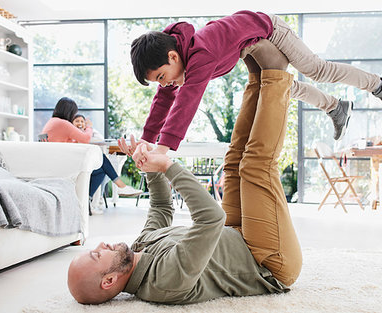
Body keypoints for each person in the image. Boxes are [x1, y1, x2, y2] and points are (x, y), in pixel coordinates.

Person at [68, 70, 302, 305]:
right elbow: (211, 218)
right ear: (108, 280)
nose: (101, 245)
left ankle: (257, 75)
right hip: (267, 261)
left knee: (233, 162)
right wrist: (168, 165)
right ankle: (275, 73)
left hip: (237, 233)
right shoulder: (164, 282)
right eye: (97, 254)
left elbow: (161, 207)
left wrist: (146, 163)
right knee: (255, 166)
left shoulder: (138, 248)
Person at [129, 10, 382, 149]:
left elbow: (186, 102)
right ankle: (335, 107)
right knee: (275, 87)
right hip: (247, 46)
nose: (164, 85)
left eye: (162, 77)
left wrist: (163, 147)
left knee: (316, 69)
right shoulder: (177, 57)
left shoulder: (201, 53)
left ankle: (381, 85)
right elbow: (164, 100)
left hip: (270, 31)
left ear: (172, 57)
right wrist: (146, 140)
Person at [42, 98, 142, 211]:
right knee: (101, 159)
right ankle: (119, 187)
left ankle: (86, 200)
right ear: (69, 111)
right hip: (63, 165)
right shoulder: (62, 123)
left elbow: (66, 143)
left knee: (101, 169)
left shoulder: (53, 122)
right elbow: (85, 139)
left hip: (57, 162)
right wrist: (88, 126)